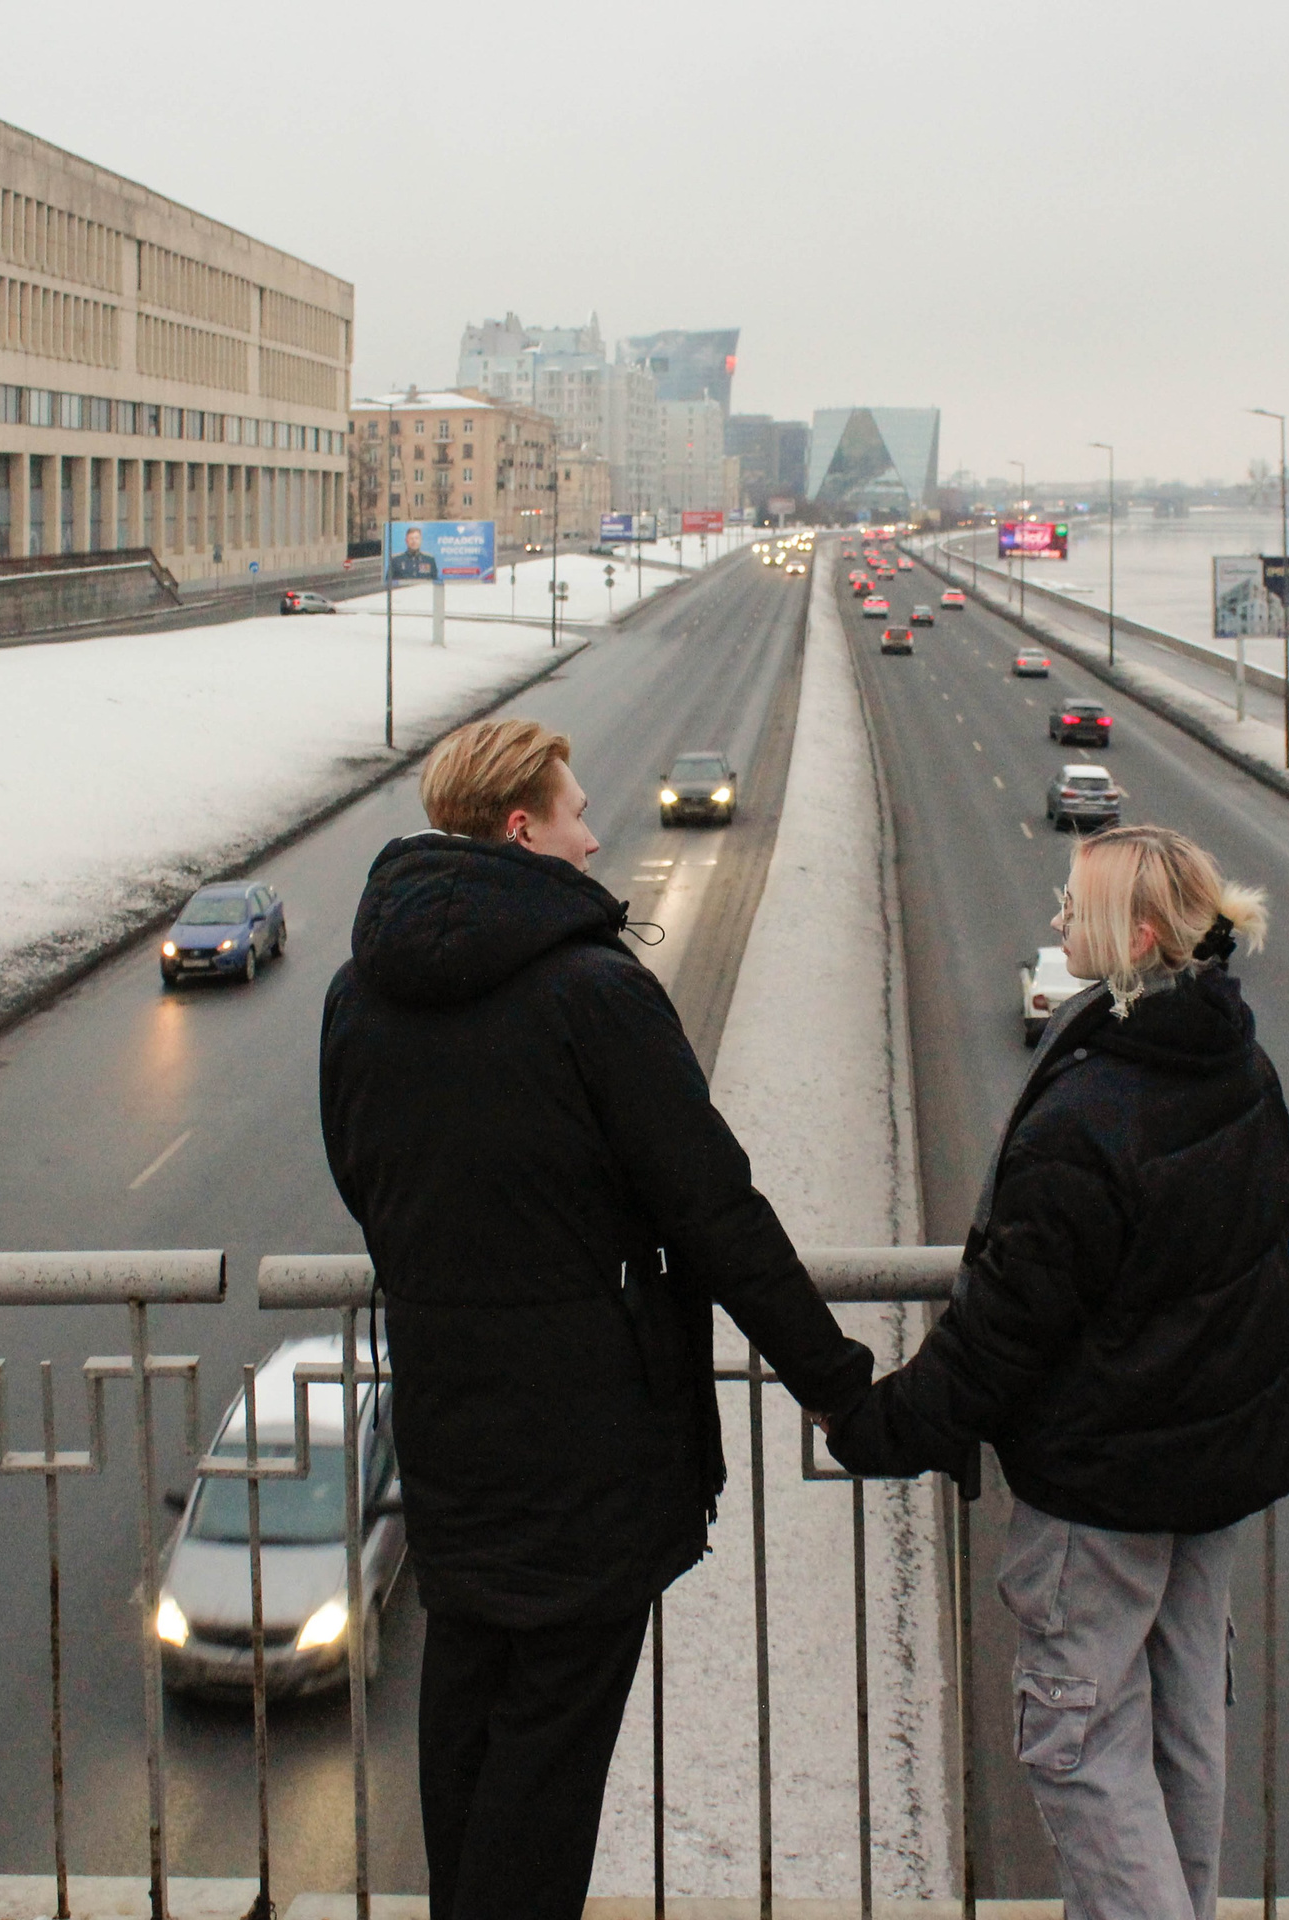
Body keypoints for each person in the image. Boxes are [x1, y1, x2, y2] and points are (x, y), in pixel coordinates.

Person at [319, 717, 872, 1920]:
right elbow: (715, 1209)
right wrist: (834, 1381)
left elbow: (365, 1182)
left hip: (448, 1423)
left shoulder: (358, 992)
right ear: (522, 831)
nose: (595, 832)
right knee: (549, 1768)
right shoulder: (593, 992)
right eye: (576, 812)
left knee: (464, 1715)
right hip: (586, 1444)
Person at [829, 823, 1289, 1920]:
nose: (1054, 922)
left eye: (1074, 909)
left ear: (1136, 935)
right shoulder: (1233, 1057)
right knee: (1182, 1724)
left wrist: (885, 1423)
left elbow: (1005, 1328)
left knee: (1076, 1742)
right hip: (1213, 1463)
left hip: (1105, 1485)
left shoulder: (1096, 1110)